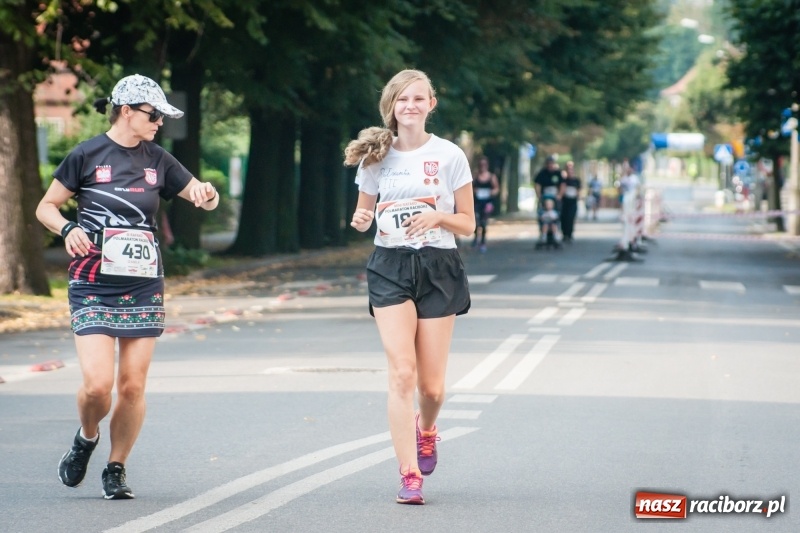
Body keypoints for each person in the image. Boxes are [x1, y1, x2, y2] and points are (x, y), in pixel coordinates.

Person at [35, 74, 219, 500]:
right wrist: (67, 228)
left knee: (132, 386)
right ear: (126, 111)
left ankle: (116, 467)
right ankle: (87, 436)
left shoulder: (159, 160)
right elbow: (46, 206)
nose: (159, 123)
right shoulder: (86, 155)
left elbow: (200, 195)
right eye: (153, 115)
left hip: (142, 284)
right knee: (98, 385)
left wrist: (207, 195)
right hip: (92, 282)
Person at [344, 69, 474, 505]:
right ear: (392, 106)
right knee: (402, 372)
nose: (410, 106)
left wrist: (438, 216)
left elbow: (468, 224)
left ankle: (427, 429)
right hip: (390, 265)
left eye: (418, 99)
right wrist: (361, 219)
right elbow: (364, 214)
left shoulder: (450, 155)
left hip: (438, 265)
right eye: (402, 99)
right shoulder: (375, 157)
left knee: (432, 389)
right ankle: (409, 474)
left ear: (431, 104)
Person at [471, 156, 500, 252]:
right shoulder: (475, 176)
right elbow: (470, 188)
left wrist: (492, 192)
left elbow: (496, 188)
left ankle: (483, 241)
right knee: (476, 220)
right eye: (480, 165)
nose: (482, 166)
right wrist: (474, 191)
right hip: (477, 202)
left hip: (487, 203)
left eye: (484, 164)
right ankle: (476, 238)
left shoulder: (491, 177)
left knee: (483, 222)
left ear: (487, 165)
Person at [533, 156, 565, 242]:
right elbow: (537, 184)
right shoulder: (542, 174)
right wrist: (539, 195)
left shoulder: (558, 173)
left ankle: (555, 233)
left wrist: (560, 195)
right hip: (544, 197)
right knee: (542, 216)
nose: (550, 165)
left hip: (555, 198)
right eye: (549, 163)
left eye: (551, 163)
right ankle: (543, 234)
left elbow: (562, 185)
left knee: (556, 217)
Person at [560, 161, 581, 242]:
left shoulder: (576, 180)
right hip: (565, 201)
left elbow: (578, 190)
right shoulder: (564, 180)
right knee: (564, 217)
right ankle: (564, 234)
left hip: (573, 201)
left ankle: (569, 234)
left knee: (571, 217)